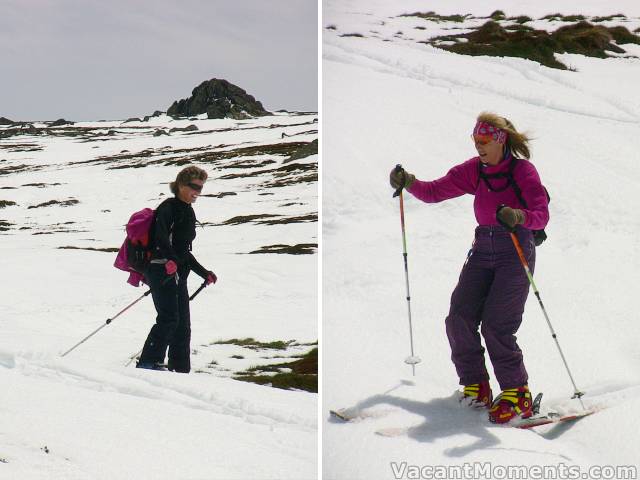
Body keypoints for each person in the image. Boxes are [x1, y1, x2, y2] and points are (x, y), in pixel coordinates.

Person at [389, 112, 549, 424]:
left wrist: (518, 216)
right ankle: (477, 387)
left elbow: (541, 214)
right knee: (458, 317)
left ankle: (518, 395)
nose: (479, 147)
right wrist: (408, 182)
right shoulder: (475, 170)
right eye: (475, 141)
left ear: (500, 141)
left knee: (496, 325)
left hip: (515, 250)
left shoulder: (522, 171)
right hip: (482, 248)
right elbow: (434, 191)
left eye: (484, 142)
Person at [137, 166, 217, 373]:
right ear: (181, 185)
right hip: (159, 270)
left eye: (201, 187)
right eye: (194, 187)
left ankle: (180, 369)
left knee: (182, 324)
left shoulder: (188, 211)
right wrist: (169, 260)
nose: (198, 191)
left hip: (177, 273)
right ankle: (148, 363)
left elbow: (183, 251)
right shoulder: (168, 208)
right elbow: (160, 239)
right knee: (169, 318)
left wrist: (204, 272)